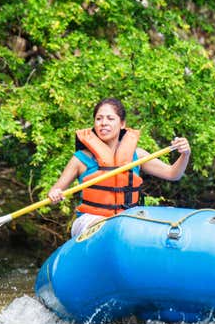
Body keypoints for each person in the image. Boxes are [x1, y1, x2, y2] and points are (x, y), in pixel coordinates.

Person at [48, 98, 191, 237]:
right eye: (99, 119)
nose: (103, 123)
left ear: (122, 124)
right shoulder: (80, 159)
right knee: (112, 227)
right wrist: (55, 194)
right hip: (90, 220)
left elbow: (173, 174)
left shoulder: (137, 156)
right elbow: (56, 190)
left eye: (110, 118)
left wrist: (185, 154)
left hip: (127, 219)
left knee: (144, 225)